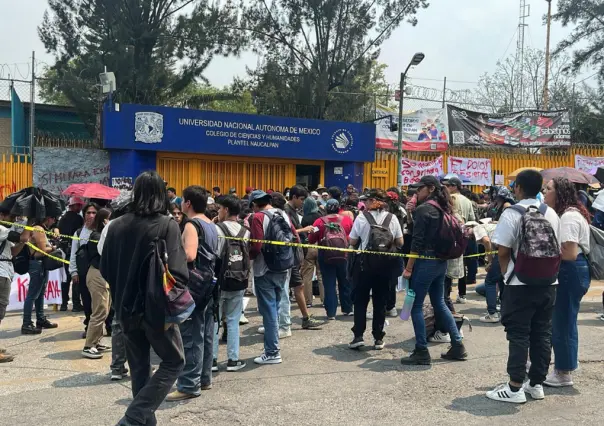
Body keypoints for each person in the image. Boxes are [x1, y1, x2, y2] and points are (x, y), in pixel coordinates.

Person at [100, 171, 188, 426]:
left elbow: (105, 267)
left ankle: (140, 421)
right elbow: (180, 273)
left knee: (139, 370)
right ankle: (134, 418)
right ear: (162, 193)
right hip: (156, 308)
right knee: (174, 361)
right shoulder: (167, 224)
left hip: (124, 308)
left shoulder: (116, 225)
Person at [486, 169, 561, 404]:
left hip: (520, 283)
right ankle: (536, 384)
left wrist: (507, 275)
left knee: (519, 334)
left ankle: (514, 387)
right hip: (549, 283)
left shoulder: (512, 213)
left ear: (518, 187)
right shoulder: (552, 214)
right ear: (539, 188)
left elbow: (503, 250)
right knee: (542, 333)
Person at [400, 176, 468, 365]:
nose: (415, 193)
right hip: (440, 262)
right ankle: (457, 344)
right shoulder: (443, 207)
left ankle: (421, 350)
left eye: (419, 189)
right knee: (440, 302)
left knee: (416, 306)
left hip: (425, 261)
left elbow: (417, 241)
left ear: (429, 188)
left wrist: (408, 268)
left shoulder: (424, 210)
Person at [167, 186, 218, 401]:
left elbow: (189, 254)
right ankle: (204, 378)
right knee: (205, 332)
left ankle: (188, 384)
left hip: (194, 285)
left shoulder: (191, 224)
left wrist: (170, 258)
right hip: (209, 283)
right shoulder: (211, 224)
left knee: (190, 334)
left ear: (187, 203)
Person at [543, 177, 591, 388]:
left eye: (549, 189)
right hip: (572, 271)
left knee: (562, 322)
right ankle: (566, 363)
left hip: (570, 270)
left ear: (560, 192)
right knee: (564, 320)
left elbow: (569, 253)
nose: (545, 193)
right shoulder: (566, 214)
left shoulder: (569, 217)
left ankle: (563, 373)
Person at [348, 188, 403, 350]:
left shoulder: (361, 218)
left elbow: (352, 241)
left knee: (360, 301)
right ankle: (378, 338)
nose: (364, 203)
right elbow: (400, 242)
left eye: (366, 200)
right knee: (380, 302)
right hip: (385, 265)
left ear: (373, 201)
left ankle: (358, 336)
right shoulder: (392, 218)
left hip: (364, 265)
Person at [249, 190, 298, 365]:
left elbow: (256, 246)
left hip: (264, 269)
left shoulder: (257, 218)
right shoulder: (283, 214)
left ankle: (272, 352)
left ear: (254, 204)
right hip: (283, 267)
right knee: (275, 307)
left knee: (268, 310)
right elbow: (296, 237)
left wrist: (248, 257)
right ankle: (272, 345)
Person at [211, 195, 249, 372]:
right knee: (233, 320)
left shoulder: (217, 229)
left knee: (214, 321)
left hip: (219, 281)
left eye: (220, 208)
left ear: (226, 210)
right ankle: (233, 360)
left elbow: (214, 255)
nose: (218, 211)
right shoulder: (245, 231)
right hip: (239, 280)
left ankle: (211, 360)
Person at [97, 201, 131, 381]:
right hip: (139, 279)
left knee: (118, 322)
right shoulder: (143, 223)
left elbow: (101, 250)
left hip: (118, 278)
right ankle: (141, 366)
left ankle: (117, 367)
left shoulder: (110, 227)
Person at [283, 186, 324, 330]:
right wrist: (304, 230)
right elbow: (286, 233)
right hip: (289, 255)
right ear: (293, 197)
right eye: (301, 199)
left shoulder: (294, 211)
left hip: (296, 254)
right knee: (295, 286)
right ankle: (300, 318)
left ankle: (304, 318)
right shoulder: (285, 211)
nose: (302, 203)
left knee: (297, 286)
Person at [308, 199, 353, 319]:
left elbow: (311, 239)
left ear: (326, 209)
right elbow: (353, 236)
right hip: (344, 255)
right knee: (345, 282)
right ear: (339, 208)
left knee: (329, 284)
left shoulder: (319, 221)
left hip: (325, 256)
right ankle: (347, 309)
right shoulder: (347, 220)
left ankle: (331, 313)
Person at [81, 208, 113, 360]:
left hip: (103, 275)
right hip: (97, 275)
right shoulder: (98, 235)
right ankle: (89, 346)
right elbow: (103, 252)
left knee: (104, 310)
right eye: (110, 219)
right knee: (99, 311)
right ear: (104, 220)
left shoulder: (101, 234)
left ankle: (96, 341)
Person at [21, 215, 59, 335]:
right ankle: (26, 323)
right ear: (48, 218)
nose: (54, 220)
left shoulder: (39, 228)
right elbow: (42, 249)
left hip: (40, 263)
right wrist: (53, 248)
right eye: (53, 218)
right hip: (37, 264)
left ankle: (40, 319)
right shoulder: (38, 229)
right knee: (32, 294)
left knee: (40, 293)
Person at [0, 207, 28, 361]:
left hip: (5, 272)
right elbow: (17, 236)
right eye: (11, 217)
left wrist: (24, 242)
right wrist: (27, 224)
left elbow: (14, 251)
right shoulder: (1, 228)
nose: (12, 220)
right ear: (2, 215)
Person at [443, 177, 476, 304]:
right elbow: (472, 219)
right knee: (462, 264)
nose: (447, 188)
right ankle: (462, 294)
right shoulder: (468, 201)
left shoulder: (450, 199)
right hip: (464, 235)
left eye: (449, 185)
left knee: (448, 265)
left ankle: (446, 293)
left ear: (455, 186)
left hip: (450, 235)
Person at [69, 203, 100, 338]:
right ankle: (89, 326)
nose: (91, 215)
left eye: (94, 213)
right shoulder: (78, 233)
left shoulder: (102, 231)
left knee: (103, 302)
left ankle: (109, 326)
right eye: (88, 213)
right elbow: (73, 253)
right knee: (87, 301)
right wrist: (74, 272)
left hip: (100, 272)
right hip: (83, 273)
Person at [56, 196, 84, 311]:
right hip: (74, 250)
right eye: (79, 205)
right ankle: (76, 304)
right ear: (74, 206)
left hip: (63, 250)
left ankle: (63, 304)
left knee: (65, 278)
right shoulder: (78, 219)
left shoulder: (62, 219)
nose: (80, 207)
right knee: (75, 276)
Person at [301, 197, 324, 305]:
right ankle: (324, 299)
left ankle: (308, 301)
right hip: (320, 246)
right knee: (321, 274)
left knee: (307, 275)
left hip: (308, 247)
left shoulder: (304, 218)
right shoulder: (320, 216)